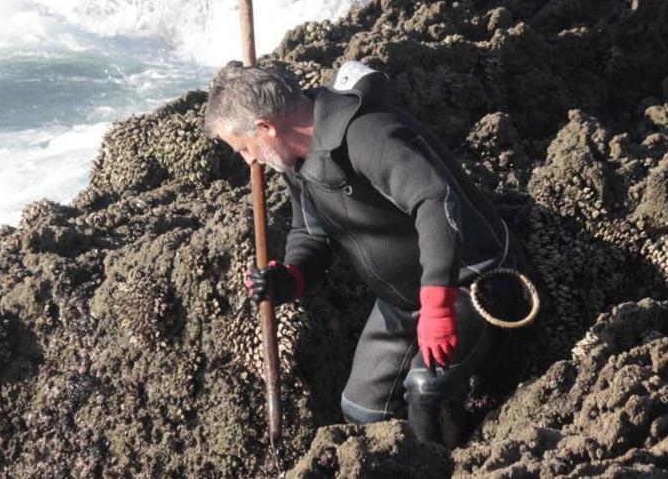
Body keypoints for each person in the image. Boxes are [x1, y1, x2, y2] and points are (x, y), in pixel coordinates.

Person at [204, 60, 516, 444]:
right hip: (400, 302)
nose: (248, 160)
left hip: (470, 280)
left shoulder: (366, 133)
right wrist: (290, 278)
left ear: (266, 127)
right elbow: (311, 234)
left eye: (244, 147)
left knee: (424, 389)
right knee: (361, 410)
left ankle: (445, 463)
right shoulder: (296, 162)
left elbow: (434, 200)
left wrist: (437, 306)